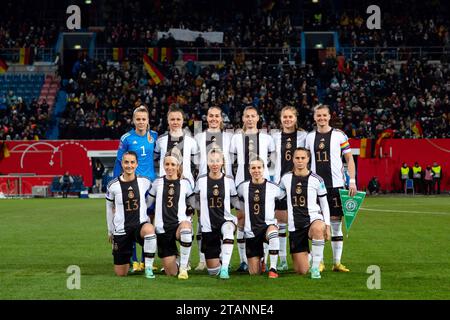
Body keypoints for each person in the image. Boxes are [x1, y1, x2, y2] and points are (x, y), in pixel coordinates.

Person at [305, 104, 357, 273]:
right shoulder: (309, 137)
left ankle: (337, 263)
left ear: (329, 116)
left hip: (336, 186)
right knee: (315, 224)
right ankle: (319, 261)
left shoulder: (339, 135)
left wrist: (352, 181)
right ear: (314, 117)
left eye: (324, 115)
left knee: (336, 225)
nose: (321, 118)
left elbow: (349, 159)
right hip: (315, 188)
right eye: (318, 115)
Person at [230, 106, 275, 272]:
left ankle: (265, 259)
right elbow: (231, 160)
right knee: (241, 220)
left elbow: (273, 162)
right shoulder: (235, 138)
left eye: (252, 116)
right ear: (243, 118)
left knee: (264, 219)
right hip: (242, 183)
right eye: (247, 116)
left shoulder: (267, 138)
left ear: (258, 118)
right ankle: (243, 260)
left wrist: (270, 179)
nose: (249, 119)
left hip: (263, 184)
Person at [113, 105, 158, 273]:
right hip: (133, 187)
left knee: (149, 223)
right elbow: (120, 163)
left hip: (151, 187)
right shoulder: (126, 138)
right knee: (130, 222)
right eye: (138, 119)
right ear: (133, 121)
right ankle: (134, 261)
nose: (141, 122)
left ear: (148, 121)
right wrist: (118, 184)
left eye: (143, 119)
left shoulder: (154, 136)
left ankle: (148, 260)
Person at [279, 148, 331, 279]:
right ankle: (311, 255)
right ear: (293, 159)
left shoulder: (317, 179)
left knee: (318, 228)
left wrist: (328, 226)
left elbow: (324, 204)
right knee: (301, 270)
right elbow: (278, 195)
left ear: (308, 159)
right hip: (295, 226)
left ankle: (316, 266)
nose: (300, 161)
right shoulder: (286, 178)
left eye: (303, 158)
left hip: (313, 219)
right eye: (297, 158)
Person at [193, 106, 234, 271]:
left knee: (226, 221)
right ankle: (203, 259)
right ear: (207, 118)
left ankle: (226, 257)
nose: (214, 118)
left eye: (217, 116)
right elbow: (193, 161)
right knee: (202, 221)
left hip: (224, 184)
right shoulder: (198, 138)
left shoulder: (230, 137)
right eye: (211, 116)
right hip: (204, 184)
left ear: (221, 118)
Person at [105, 151, 157, 278]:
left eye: (132, 162)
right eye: (126, 162)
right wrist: (110, 230)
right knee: (121, 273)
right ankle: (127, 260)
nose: (129, 165)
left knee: (150, 230)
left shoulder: (145, 181)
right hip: (121, 230)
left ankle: (148, 268)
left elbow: (157, 192)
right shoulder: (113, 185)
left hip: (140, 226)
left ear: (137, 164)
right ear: (122, 164)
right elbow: (109, 207)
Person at [192, 149, 240, 279]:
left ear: (222, 162)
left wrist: (244, 210)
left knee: (228, 229)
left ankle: (225, 268)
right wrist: (199, 211)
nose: (215, 164)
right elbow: (194, 199)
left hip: (225, 220)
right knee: (213, 271)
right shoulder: (201, 180)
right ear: (207, 163)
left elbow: (235, 200)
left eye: (217, 161)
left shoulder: (229, 180)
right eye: (212, 161)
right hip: (208, 226)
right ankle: (220, 259)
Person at [147, 150, 195, 280]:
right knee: (171, 272)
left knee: (186, 229)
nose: (169, 167)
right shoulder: (157, 183)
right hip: (162, 230)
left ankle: (184, 267)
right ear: (163, 165)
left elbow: (193, 205)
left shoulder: (185, 183)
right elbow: (147, 205)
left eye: (173, 164)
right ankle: (178, 260)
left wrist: (189, 219)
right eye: (167, 164)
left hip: (179, 226)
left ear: (178, 165)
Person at [271, 106, 307, 271]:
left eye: (290, 117)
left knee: (300, 221)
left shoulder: (303, 136)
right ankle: (283, 259)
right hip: (280, 185)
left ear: (295, 118)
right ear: (281, 119)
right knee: (281, 223)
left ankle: (308, 256)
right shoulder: (274, 136)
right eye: (284, 117)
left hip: (299, 184)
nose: (287, 119)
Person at [237, 157, 284, 278]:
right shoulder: (242, 187)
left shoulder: (273, 187)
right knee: (254, 273)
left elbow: (283, 199)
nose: (256, 170)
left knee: (273, 232)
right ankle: (262, 259)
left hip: (267, 227)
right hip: (251, 232)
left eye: (259, 167)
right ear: (249, 170)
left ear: (264, 169)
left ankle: (273, 268)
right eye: (253, 168)